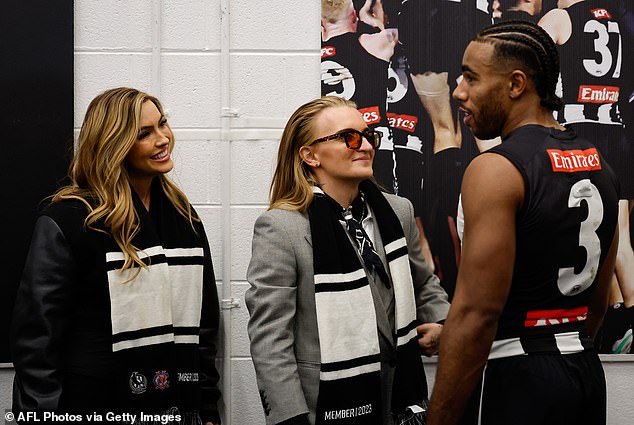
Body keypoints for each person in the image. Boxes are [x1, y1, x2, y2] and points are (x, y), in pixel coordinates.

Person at [427, 21, 619, 425]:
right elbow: (596, 304)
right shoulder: (599, 163)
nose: (458, 91)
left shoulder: (495, 169)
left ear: (516, 84)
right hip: (581, 372)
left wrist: (438, 418)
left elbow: (478, 313)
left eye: (470, 78)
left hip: (516, 378)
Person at [11, 87, 222, 424]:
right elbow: (38, 343)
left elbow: (205, 328)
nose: (163, 138)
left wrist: (208, 408)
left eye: (162, 124)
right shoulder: (70, 219)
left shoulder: (185, 218)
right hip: (90, 406)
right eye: (144, 133)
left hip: (178, 408)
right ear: (115, 145)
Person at [246, 96, 450, 425]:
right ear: (310, 155)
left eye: (368, 135)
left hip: (401, 403)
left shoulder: (399, 211)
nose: (366, 146)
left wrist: (443, 325)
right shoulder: (282, 228)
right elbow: (271, 338)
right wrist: (291, 418)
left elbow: (423, 283)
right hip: (326, 407)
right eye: (349, 137)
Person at [539, 0, 634, 354]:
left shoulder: (560, 18)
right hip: (616, 129)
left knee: (584, 230)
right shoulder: (616, 23)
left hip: (579, 131)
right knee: (620, 233)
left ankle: (594, 320)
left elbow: (530, 71)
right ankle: (623, 319)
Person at [321, 0, 397, 192]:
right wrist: (372, 21)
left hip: (333, 148)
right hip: (372, 144)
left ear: (322, 25)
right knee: (383, 209)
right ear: (354, 16)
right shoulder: (372, 43)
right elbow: (411, 32)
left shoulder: (309, 58)